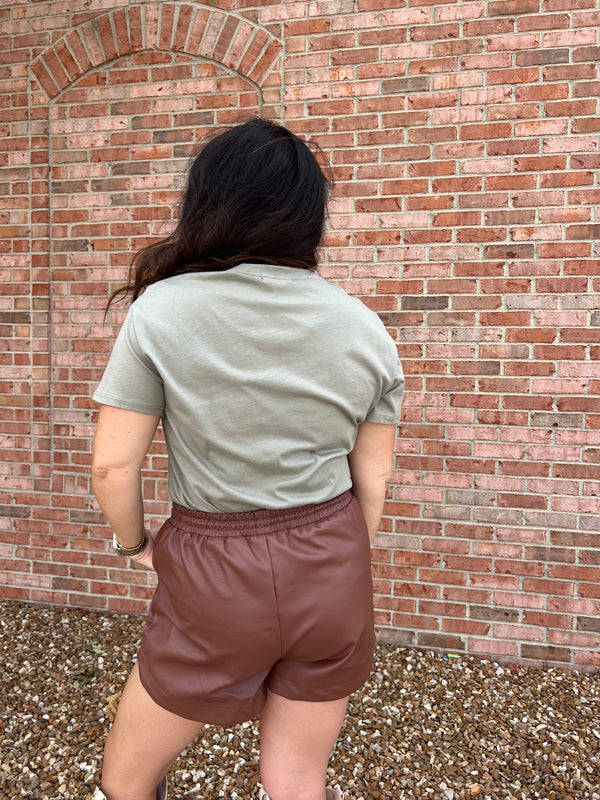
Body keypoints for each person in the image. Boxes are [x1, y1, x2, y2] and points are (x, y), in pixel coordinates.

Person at [90, 117, 404, 800]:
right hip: (333, 564)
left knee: (127, 779)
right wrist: (339, 560)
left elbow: (112, 467)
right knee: (297, 780)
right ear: (310, 217)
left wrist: (134, 545)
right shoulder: (365, 327)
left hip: (215, 571)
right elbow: (375, 478)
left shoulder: (161, 312)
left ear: (207, 203)